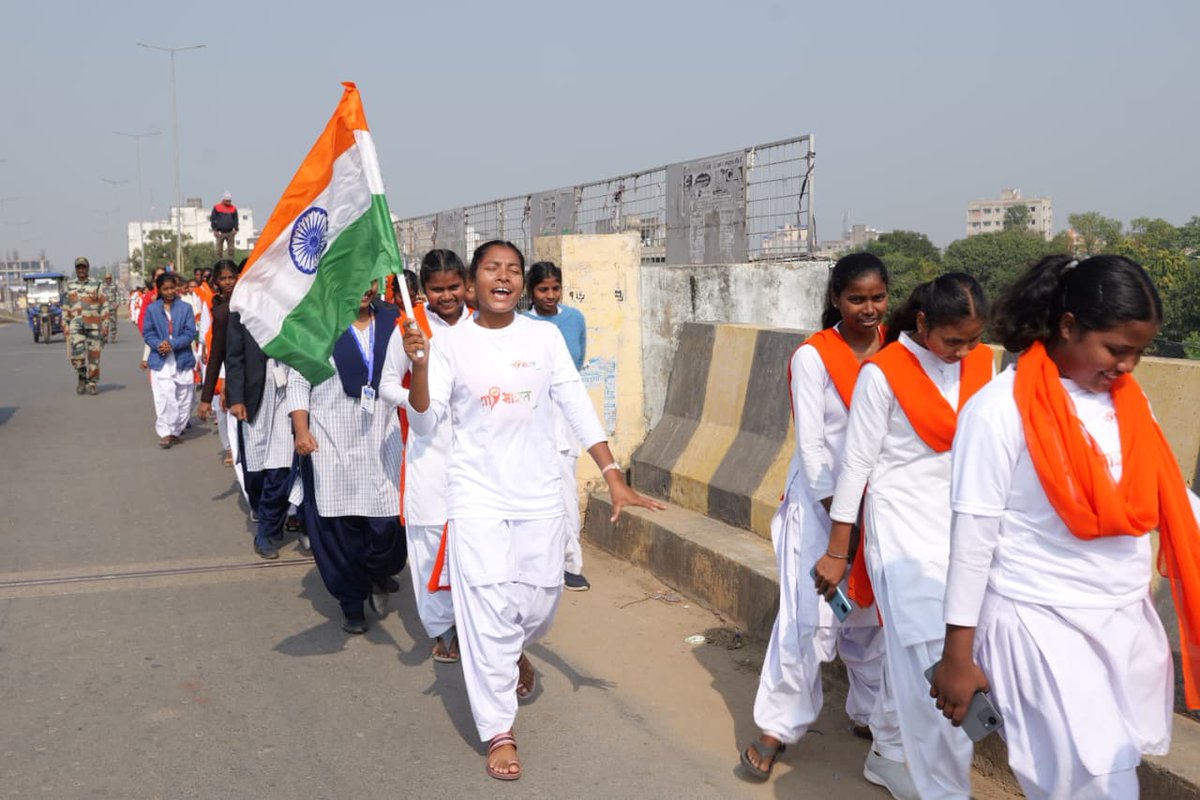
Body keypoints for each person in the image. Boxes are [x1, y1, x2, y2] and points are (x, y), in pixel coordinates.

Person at [930, 255, 1200, 799]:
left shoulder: (1129, 402)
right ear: (1069, 326)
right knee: (1100, 786)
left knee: (1104, 775)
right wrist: (957, 656)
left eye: (1138, 353)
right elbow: (972, 542)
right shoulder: (998, 411)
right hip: (1040, 622)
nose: (1127, 366)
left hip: (1124, 619)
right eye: (1116, 350)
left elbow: (1168, 494)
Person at [402, 240, 664, 781]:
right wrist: (420, 366)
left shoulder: (543, 338)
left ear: (521, 282)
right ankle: (499, 728)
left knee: (540, 601)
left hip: (539, 493)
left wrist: (613, 474)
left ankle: (513, 649)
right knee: (486, 607)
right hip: (475, 496)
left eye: (512, 270)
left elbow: (574, 403)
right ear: (472, 282)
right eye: (491, 269)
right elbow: (425, 423)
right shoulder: (449, 343)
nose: (503, 277)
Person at [817, 273, 993, 800]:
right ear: (922, 322)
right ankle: (943, 786)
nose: (962, 352)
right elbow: (855, 466)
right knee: (930, 655)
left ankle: (889, 751)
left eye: (972, 340)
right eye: (952, 340)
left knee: (936, 650)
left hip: (965, 527)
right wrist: (838, 549)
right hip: (901, 530)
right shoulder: (884, 372)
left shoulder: (984, 363)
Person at [741, 253, 900, 782]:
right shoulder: (813, 357)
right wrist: (842, 524)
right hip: (820, 507)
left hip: (881, 507)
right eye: (857, 299)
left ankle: (870, 715)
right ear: (836, 298)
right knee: (808, 621)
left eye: (878, 298)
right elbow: (812, 449)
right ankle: (776, 729)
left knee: (873, 622)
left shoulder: (899, 351)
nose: (869, 309)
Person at [290, 280, 408, 635]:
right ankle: (351, 602)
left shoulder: (393, 322)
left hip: (382, 436)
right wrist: (301, 430)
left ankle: (376, 572)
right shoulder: (319, 324)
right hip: (331, 440)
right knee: (339, 528)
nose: (363, 288)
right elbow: (299, 380)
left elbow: (413, 370)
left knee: (387, 524)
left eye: (370, 279)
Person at [380, 248, 472, 662]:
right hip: (428, 456)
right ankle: (443, 628)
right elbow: (385, 384)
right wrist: (419, 405)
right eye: (437, 289)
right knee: (430, 546)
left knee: (473, 542)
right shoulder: (410, 327)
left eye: (454, 287)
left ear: (466, 284)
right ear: (425, 291)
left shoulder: (482, 325)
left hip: (475, 455)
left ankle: (474, 623)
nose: (447, 296)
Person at [522, 261, 591, 591]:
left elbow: (576, 363)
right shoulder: (522, 325)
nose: (550, 295)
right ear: (530, 291)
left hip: (564, 415)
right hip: (531, 414)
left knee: (566, 489)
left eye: (555, 288)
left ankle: (570, 563)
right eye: (543, 289)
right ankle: (536, 561)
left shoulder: (574, 319)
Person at [226, 308, 295, 559]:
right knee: (255, 471)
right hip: (255, 396)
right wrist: (236, 398)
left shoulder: (294, 299)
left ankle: (266, 530)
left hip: (289, 390)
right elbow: (234, 358)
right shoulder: (241, 309)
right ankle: (267, 513)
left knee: (282, 467)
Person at [141, 272, 197, 448]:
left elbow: (190, 333)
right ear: (159, 290)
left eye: (172, 288)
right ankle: (166, 432)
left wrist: (172, 344)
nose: (169, 292)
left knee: (184, 398)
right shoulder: (152, 309)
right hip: (161, 360)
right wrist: (159, 344)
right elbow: (148, 333)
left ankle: (176, 430)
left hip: (182, 358)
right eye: (165, 289)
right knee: (165, 396)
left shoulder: (186, 308)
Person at [197, 260, 239, 466]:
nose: (228, 282)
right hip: (233, 374)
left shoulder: (251, 303)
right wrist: (205, 398)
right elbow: (216, 355)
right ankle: (231, 449)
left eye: (232, 277)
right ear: (216, 281)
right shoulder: (220, 311)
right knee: (227, 414)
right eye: (223, 278)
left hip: (257, 375)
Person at [63, 256, 111, 396]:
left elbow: (104, 304)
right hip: (76, 325)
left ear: (88, 268)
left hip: (94, 325)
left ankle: (92, 383)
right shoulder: (70, 285)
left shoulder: (96, 284)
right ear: (76, 269)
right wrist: (64, 323)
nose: (81, 269)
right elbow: (66, 306)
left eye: (83, 267)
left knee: (94, 356)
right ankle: (81, 376)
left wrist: (105, 323)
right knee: (77, 355)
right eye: (79, 267)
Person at [210, 191, 239, 260]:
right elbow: (213, 219)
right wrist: (214, 230)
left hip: (230, 232)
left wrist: (236, 229)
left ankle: (231, 261)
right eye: (227, 201)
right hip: (220, 232)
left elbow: (236, 219)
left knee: (231, 249)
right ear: (223, 200)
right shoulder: (217, 207)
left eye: (230, 201)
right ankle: (219, 261)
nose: (229, 202)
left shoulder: (233, 208)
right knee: (219, 249)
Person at [102, 274, 121, 342]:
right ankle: (105, 337)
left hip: (112, 307)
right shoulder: (102, 286)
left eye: (109, 278)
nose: (108, 280)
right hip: (104, 308)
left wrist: (117, 303)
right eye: (107, 279)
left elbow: (118, 295)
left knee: (113, 323)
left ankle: (113, 337)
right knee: (105, 323)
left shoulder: (114, 286)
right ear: (105, 279)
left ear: (111, 279)